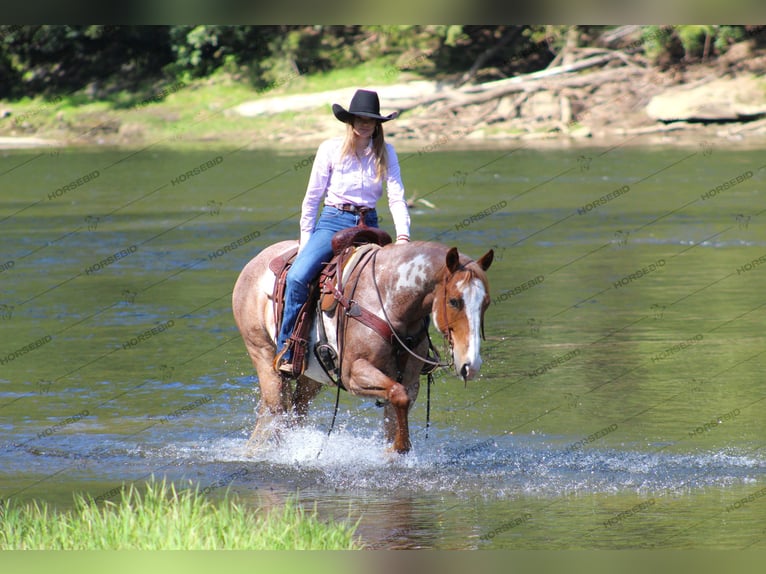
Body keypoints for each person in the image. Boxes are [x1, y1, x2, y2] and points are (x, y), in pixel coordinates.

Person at [275, 89, 411, 375]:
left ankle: (403, 357)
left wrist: (403, 238)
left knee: (401, 284)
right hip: (334, 221)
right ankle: (288, 348)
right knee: (299, 277)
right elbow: (312, 198)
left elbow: (396, 196)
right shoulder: (330, 149)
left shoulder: (386, 152)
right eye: (359, 119)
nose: (364, 124)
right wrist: (305, 241)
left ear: (377, 124)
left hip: (369, 224)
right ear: (350, 121)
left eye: (370, 120)